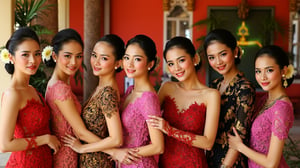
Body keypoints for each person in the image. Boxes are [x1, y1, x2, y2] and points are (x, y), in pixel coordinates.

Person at [147, 36, 220, 168]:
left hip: (194, 164)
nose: (176, 68)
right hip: (165, 163)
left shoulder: (211, 95)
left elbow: (208, 143)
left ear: (195, 58)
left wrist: (170, 130)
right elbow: (147, 118)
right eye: (170, 64)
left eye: (181, 60)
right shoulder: (167, 88)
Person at [44, 28, 113, 168]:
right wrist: (114, 152)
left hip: (70, 152)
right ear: (55, 56)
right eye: (68, 56)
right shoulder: (60, 88)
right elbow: (81, 132)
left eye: (79, 56)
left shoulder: (57, 83)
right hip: (66, 156)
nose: (74, 62)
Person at [0, 27, 60, 168]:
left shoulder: (32, 89)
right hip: (25, 163)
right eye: (25, 54)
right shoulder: (12, 94)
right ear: (11, 57)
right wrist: (45, 139)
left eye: (37, 53)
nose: (33, 60)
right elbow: (5, 145)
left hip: (44, 162)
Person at [62, 34, 124, 168]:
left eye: (104, 58)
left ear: (118, 63)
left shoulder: (107, 93)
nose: (96, 62)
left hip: (98, 163)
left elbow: (116, 138)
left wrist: (82, 148)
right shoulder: (101, 88)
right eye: (94, 55)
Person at [228, 45, 295, 168]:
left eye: (269, 70)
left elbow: (272, 163)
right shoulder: (265, 100)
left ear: (283, 71)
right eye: (258, 71)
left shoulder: (281, 108)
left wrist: (240, 146)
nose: (262, 77)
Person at [204, 28, 256, 168]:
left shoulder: (244, 88)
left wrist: (225, 166)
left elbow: (240, 136)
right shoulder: (213, 86)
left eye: (223, 54)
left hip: (232, 162)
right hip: (210, 157)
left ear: (235, 51)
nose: (218, 62)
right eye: (212, 57)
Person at [112, 34, 164, 168]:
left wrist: (123, 153)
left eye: (137, 59)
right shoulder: (130, 90)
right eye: (126, 57)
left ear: (150, 64)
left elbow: (158, 146)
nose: (129, 64)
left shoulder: (148, 98)